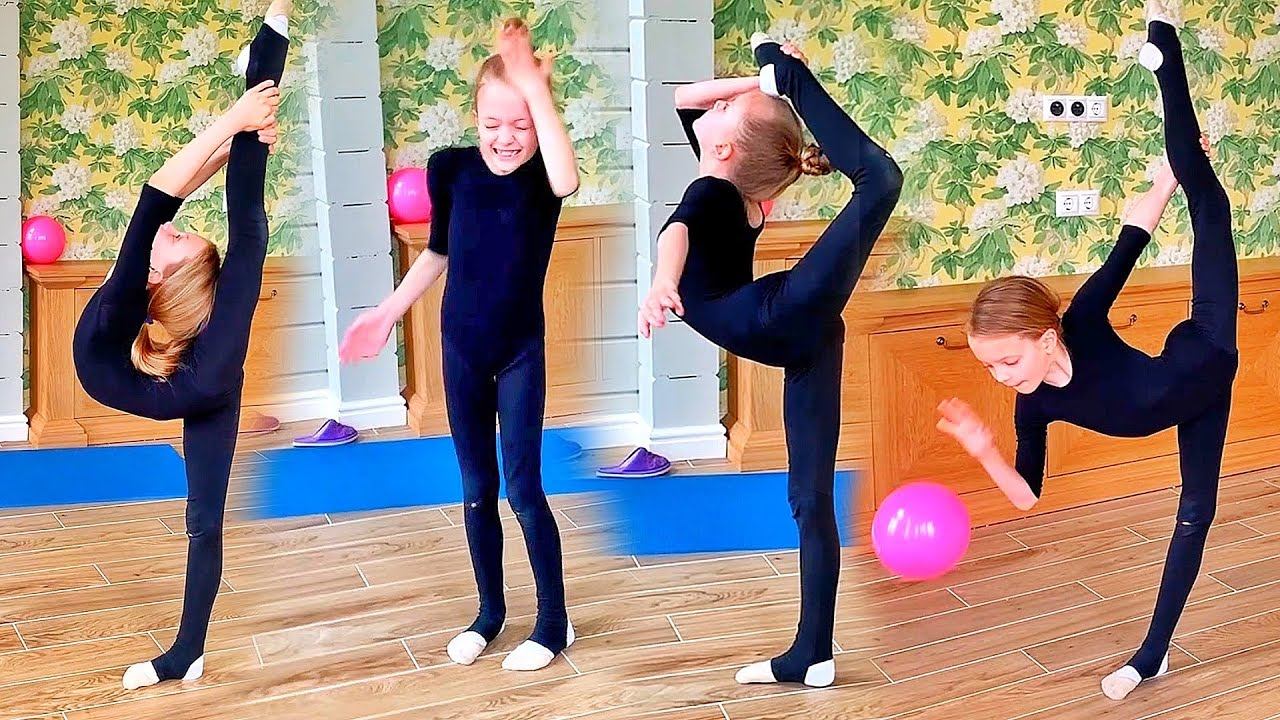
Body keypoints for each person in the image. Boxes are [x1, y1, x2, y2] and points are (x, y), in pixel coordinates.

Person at [937, 16, 1238, 701]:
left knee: (1207, 201)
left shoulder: (1082, 320)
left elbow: (1132, 237)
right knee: (1195, 515)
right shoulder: (1034, 405)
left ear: (1045, 339)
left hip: (1208, 346)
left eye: (1007, 362)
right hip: (1197, 402)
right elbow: (1027, 495)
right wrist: (984, 449)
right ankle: (1152, 657)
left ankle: (1166, 51)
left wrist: (1167, 178)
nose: (1002, 378)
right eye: (990, 369)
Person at [639, 33, 902, 687]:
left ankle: (813, 649)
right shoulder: (733, 188)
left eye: (727, 112)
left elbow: (675, 232)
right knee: (809, 499)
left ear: (725, 147)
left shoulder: (711, 187)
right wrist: (759, 81)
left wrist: (661, 281)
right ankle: (812, 652)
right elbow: (686, 98)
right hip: (801, 334)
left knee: (880, 180)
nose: (716, 107)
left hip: (780, 319)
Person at [338, 18, 580, 672]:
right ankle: (490, 612)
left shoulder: (543, 179)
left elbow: (566, 179)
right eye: (492, 123)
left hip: (519, 352)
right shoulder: (449, 170)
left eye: (521, 124)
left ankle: (554, 622)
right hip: (462, 351)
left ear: (539, 122)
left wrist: (533, 83)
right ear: (475, 119)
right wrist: (387, 311)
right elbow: (439, 251)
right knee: (476, 489)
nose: (506, 137)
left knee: (523, 490)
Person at [71, 1, 290, 689]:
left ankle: (187, 651)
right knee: (248, 229)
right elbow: (170, 195)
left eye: (178, 240)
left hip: (205, 384)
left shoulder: (141, 285)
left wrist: (239, 127)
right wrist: (238, 136)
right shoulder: (131, 294)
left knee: (205, 521)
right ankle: (273, 38)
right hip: (175, 379)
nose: (169, 230)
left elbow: (157, 199)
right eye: (177, 235)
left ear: (167, 275)